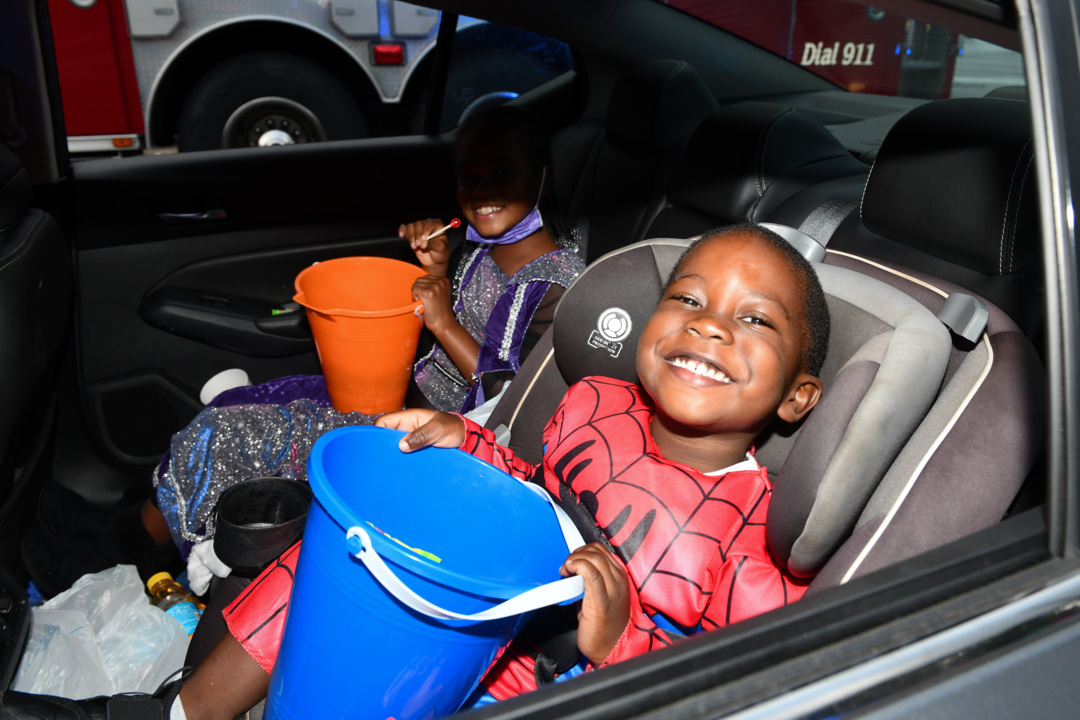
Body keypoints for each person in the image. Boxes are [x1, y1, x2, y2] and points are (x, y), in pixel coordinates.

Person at [0, 224, 830, 720]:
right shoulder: (596, 401)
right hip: (463, 605)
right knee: (335, 551)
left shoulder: (757, 537)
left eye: (753, 320)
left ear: (797, 398)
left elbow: (733, 687)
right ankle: (182, 710)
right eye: (687, 299)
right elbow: (523, 484)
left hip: (551, 687)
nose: (710, 327)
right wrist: (464, 441)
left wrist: (620, 643)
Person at [21, 105, 585, 596]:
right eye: (470, 178)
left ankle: (119, 554)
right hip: (401, 389)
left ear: (544, 178)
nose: (483, 191)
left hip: (437, 436)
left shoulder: (559, 288)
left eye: (504, 174)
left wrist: (441, 324)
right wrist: (439, 269)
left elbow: (510, 399)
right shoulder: (484, 253)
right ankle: (128, 524)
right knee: (233, 409)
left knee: (229, 437)